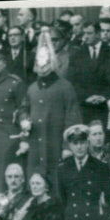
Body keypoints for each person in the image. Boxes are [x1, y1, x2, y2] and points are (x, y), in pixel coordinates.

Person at [19, 28, 82, 175]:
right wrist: (24, 122)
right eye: (39, 61)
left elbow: (73, 118)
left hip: (56, 145)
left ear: (52, 60)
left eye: (46, 60)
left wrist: (67, 147)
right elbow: (23, 109)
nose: (42, 65)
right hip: (35, 145)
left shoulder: (65, 86)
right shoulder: (32, 88)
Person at [57, 124, 110, 220]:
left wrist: (102, 217)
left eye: (82, 143)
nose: (79, 147)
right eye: (75, 143)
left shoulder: (100, 167)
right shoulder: (63, 167)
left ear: (88, 143)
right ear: (70, 145)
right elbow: (62, 197)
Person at [0, 49, 26, 186]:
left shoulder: (15, 83)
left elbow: (23, 110)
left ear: (4, 63)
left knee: (4, 173)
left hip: (8, 134)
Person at [67, 21, 110, 128]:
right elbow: (72, 81)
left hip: (105, 106)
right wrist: (86, 97)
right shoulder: (76, 55)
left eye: (89, 33)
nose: (85, 37)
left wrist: (104, 96)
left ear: (98, 34)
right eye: (84, 33)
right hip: (85, 106)